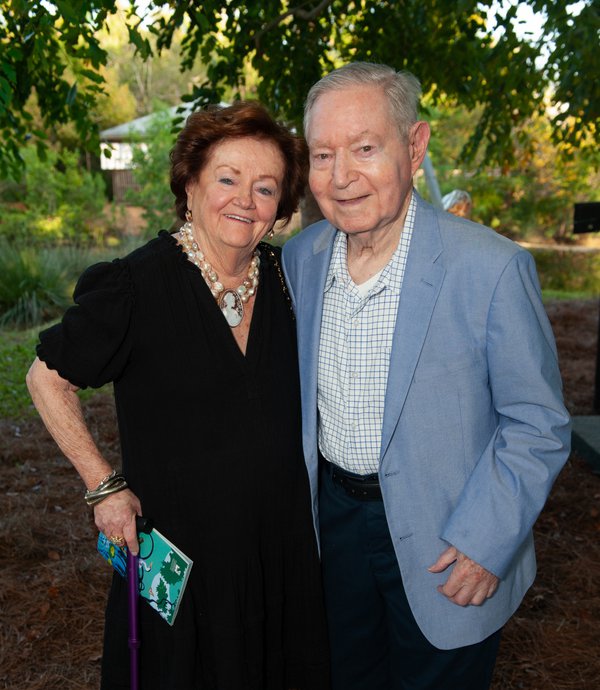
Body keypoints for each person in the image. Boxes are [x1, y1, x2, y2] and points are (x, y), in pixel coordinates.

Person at [281, 62, 571, 690]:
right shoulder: (300, 260)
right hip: (331, 528)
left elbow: (539, 424)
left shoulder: (491, 268)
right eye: (323, 154)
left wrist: (488, 539)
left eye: (364, 149)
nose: (341, 177)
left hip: (449, 541)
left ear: (415, 147)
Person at [26, 101, 330, 690]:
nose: (245, 199)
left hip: (281, 554)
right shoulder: (136, 286)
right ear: (190, 185)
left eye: (266, 188)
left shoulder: (294, 283)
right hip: (182, 563)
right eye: (227, 178)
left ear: (280, 209)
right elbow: (46, 376)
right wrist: (102, 486)